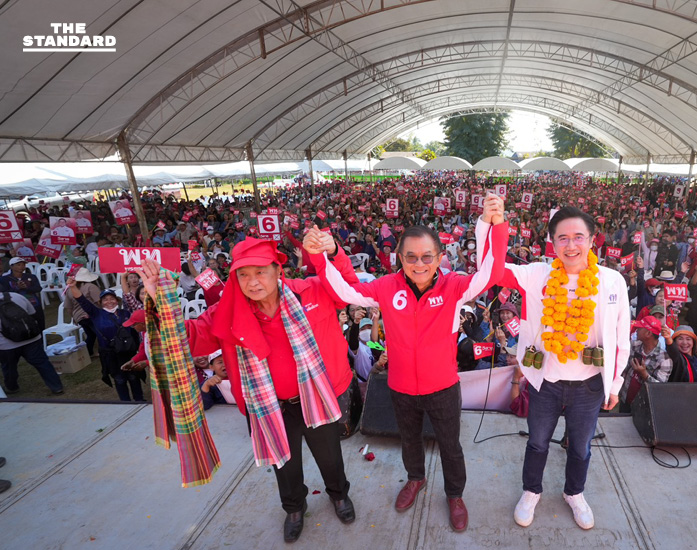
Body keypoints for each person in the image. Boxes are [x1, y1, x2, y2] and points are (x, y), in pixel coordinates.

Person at [139, 234, 361, 544]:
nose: (252, 282)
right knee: (284, 464)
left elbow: (349, 289)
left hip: (316, 397)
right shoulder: (227, 313)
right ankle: (295, 508)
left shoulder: (310, 292)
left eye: (260, 272)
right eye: (243, 274)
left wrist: (335, 251)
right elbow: (188, 336)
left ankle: (339, 496)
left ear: (277, 271)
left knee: (330, 456)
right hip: (270, 407)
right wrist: (158, 300)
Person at [307, 193, 507, 533]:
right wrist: (324, 256)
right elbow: (345, 292)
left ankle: (455, 495)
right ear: (399, 257)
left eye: (427, 256)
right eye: (411, 256)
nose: (419, 263)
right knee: (410, 440)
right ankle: (415, 479)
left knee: (450, 446)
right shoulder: (386, 287)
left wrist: (493, 225)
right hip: (401, 386)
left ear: (440, 257)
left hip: (443, 386)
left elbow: (490, 273)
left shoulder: (455, 286)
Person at [498, 207, 629, 531]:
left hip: (588, 386)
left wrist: (614, 385)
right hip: (547, 382)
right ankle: (531, 491)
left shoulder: (612, 280)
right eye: (563, 238)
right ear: (552, 242)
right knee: (538, 442)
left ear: (592, 240)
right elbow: (492, 270)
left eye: (578, 237)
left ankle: (574, 493)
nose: (571, 245)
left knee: (581, 447)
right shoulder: (537, 275)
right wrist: (492, 224)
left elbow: (621, 338)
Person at [67, 283, 144, 401]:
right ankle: (125, 402)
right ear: (101, 302)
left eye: (112, 298)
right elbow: (82, 300)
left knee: (134, 377)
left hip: (129, 352)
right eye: (105, 299)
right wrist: (73, 287)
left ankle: (139, 400)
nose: (109, 301)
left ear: (117, 301)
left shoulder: (125, 313)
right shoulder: (96, 313)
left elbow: (134, 331)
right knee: (119, 379)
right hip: (110, 354)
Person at [0, 290, 64, 395]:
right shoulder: (17, 296)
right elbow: (32, 313)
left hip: (6, 344)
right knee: (43, 363)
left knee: (9, 367)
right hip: (31, 338)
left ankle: (12, 387)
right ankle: (56, 387)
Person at [619, 316, 673, 413]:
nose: (637, 330)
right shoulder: (634, 345)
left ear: (648, 333)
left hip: (643, 406)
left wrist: (644, 374)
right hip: (625, 398)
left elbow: (659, 388)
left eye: (640, 328)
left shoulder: (664, 359)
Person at [63, 267, 102, 358]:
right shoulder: (91, 287)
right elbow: (99, 302)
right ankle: (103, 351)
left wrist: (74, 318)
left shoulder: (70, 290)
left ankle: (88, 352)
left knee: (90, 335)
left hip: (79, 317)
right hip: (91, 315)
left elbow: (68, 307)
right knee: (100, 334)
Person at [0, 258, 45, 331]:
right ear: (11, 266)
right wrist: (17, 288)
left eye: (23, 264)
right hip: (15, 304)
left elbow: (38, 288)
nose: (21, 266)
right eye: (18, 265)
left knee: (39, 320)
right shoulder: (5, 279)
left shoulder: (31, 276)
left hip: (33, 302)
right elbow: (4, 292)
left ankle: (41, 337)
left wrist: (26, 288)